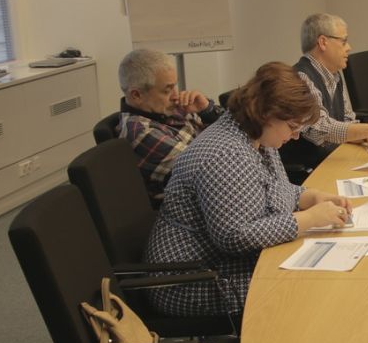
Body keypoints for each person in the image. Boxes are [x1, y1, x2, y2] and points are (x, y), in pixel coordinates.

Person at [145, 62, 352, 318]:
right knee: (310, 290)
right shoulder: (225, 155)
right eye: (292, 127)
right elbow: (235, 236)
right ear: (267, 114)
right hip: (197, 280)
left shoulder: (255, 136)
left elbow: (273, 189)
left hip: (225, 266)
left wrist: (311, 197)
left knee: (322, 282)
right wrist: (309, 219)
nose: (296, 136)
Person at [289, 13, 368, 170]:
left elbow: (347, 120)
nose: (349, 47)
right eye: (344, 41)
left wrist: (365, 136)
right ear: (323, 42)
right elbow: (317, 127)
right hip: (312, 169)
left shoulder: (334, 75)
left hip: (333, 158)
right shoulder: (301, 77)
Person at [116, 49, 219, 207]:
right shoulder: (141, 133)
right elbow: (212, 171)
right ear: (137, 95)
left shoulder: (167, 110)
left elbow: (232, 137)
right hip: (193, 209)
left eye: (175, 86)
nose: (176, 96)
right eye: (167, 90)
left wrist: (207, 111)